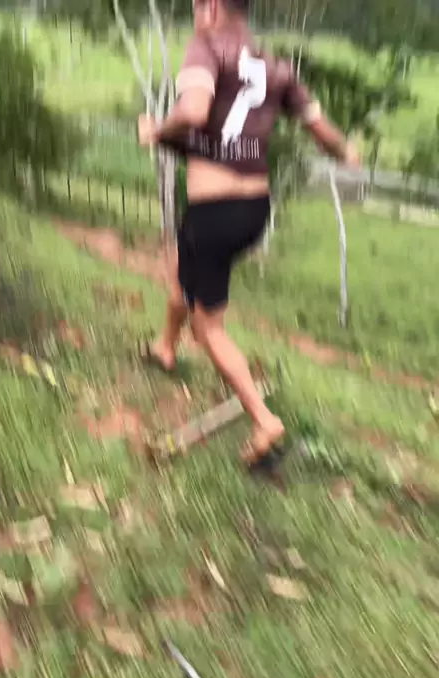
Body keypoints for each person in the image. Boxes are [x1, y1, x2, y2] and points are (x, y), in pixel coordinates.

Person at [138, 0, 359, 468]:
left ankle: (264, 421)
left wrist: (156, 130)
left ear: (212, 7)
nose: (194, 14)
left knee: (208, 327)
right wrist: (347, 153)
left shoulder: (206, 46)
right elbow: (322, 132)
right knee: (182, 265)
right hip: (253, 210)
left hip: (214, 213)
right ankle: (164, 348)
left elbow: (193, 110)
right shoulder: (277, 68)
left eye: (196, 5)